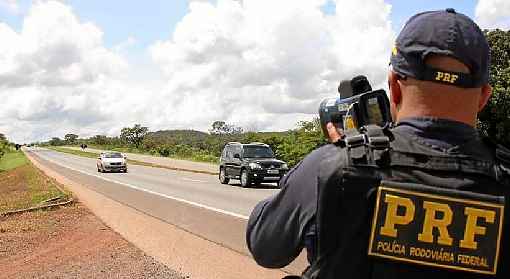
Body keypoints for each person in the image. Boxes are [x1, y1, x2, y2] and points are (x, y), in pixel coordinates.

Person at [246, 9, 510, 278]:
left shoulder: (333, 166)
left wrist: (337, 156)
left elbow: (266, 247)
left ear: (394, 85)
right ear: (483, 97)